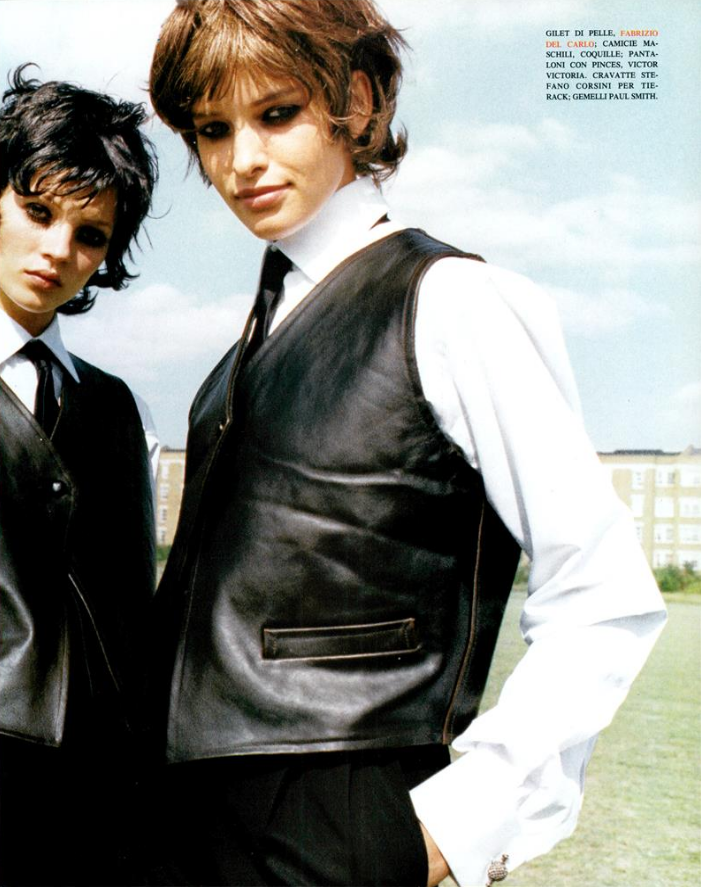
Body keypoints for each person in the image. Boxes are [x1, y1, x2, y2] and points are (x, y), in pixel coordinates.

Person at [147, 2, 666, 885]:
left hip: (338, 810)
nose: (241, 160)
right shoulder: (243, 351)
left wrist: (458, 821)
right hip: (183, 818)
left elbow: (601, 589)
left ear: (355, 101)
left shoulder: (454, 300)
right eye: (213, 129)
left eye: (276, 113)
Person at [0, 65, 159, 886]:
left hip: (92, 816)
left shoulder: (115, 408)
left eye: (90, 234)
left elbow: (131, 605)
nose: (59, 250)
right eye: (37, 211)